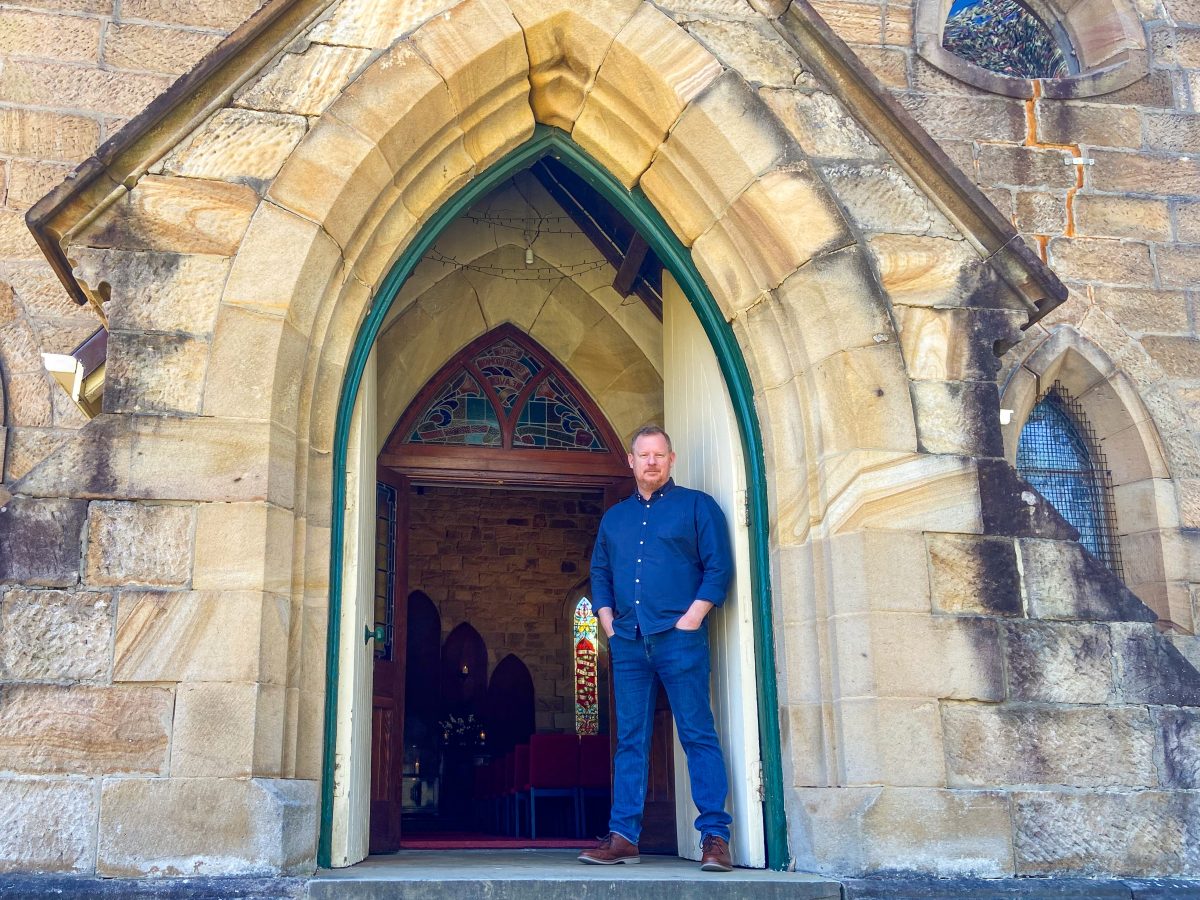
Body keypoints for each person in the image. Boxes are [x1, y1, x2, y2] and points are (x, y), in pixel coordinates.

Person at [578, 424, 734, 872]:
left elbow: (718, 569)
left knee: (697, 734)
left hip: (679, 639)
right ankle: (623, 837)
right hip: (627, 642)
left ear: (671, 460)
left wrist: (692, 619)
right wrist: (607, 621)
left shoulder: (697, 507)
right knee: (630, 741)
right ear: (630, 461)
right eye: (643, 455)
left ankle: (715, 839)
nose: (651, 462)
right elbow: (600, 572)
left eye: (659, 455)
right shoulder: (615, 518)